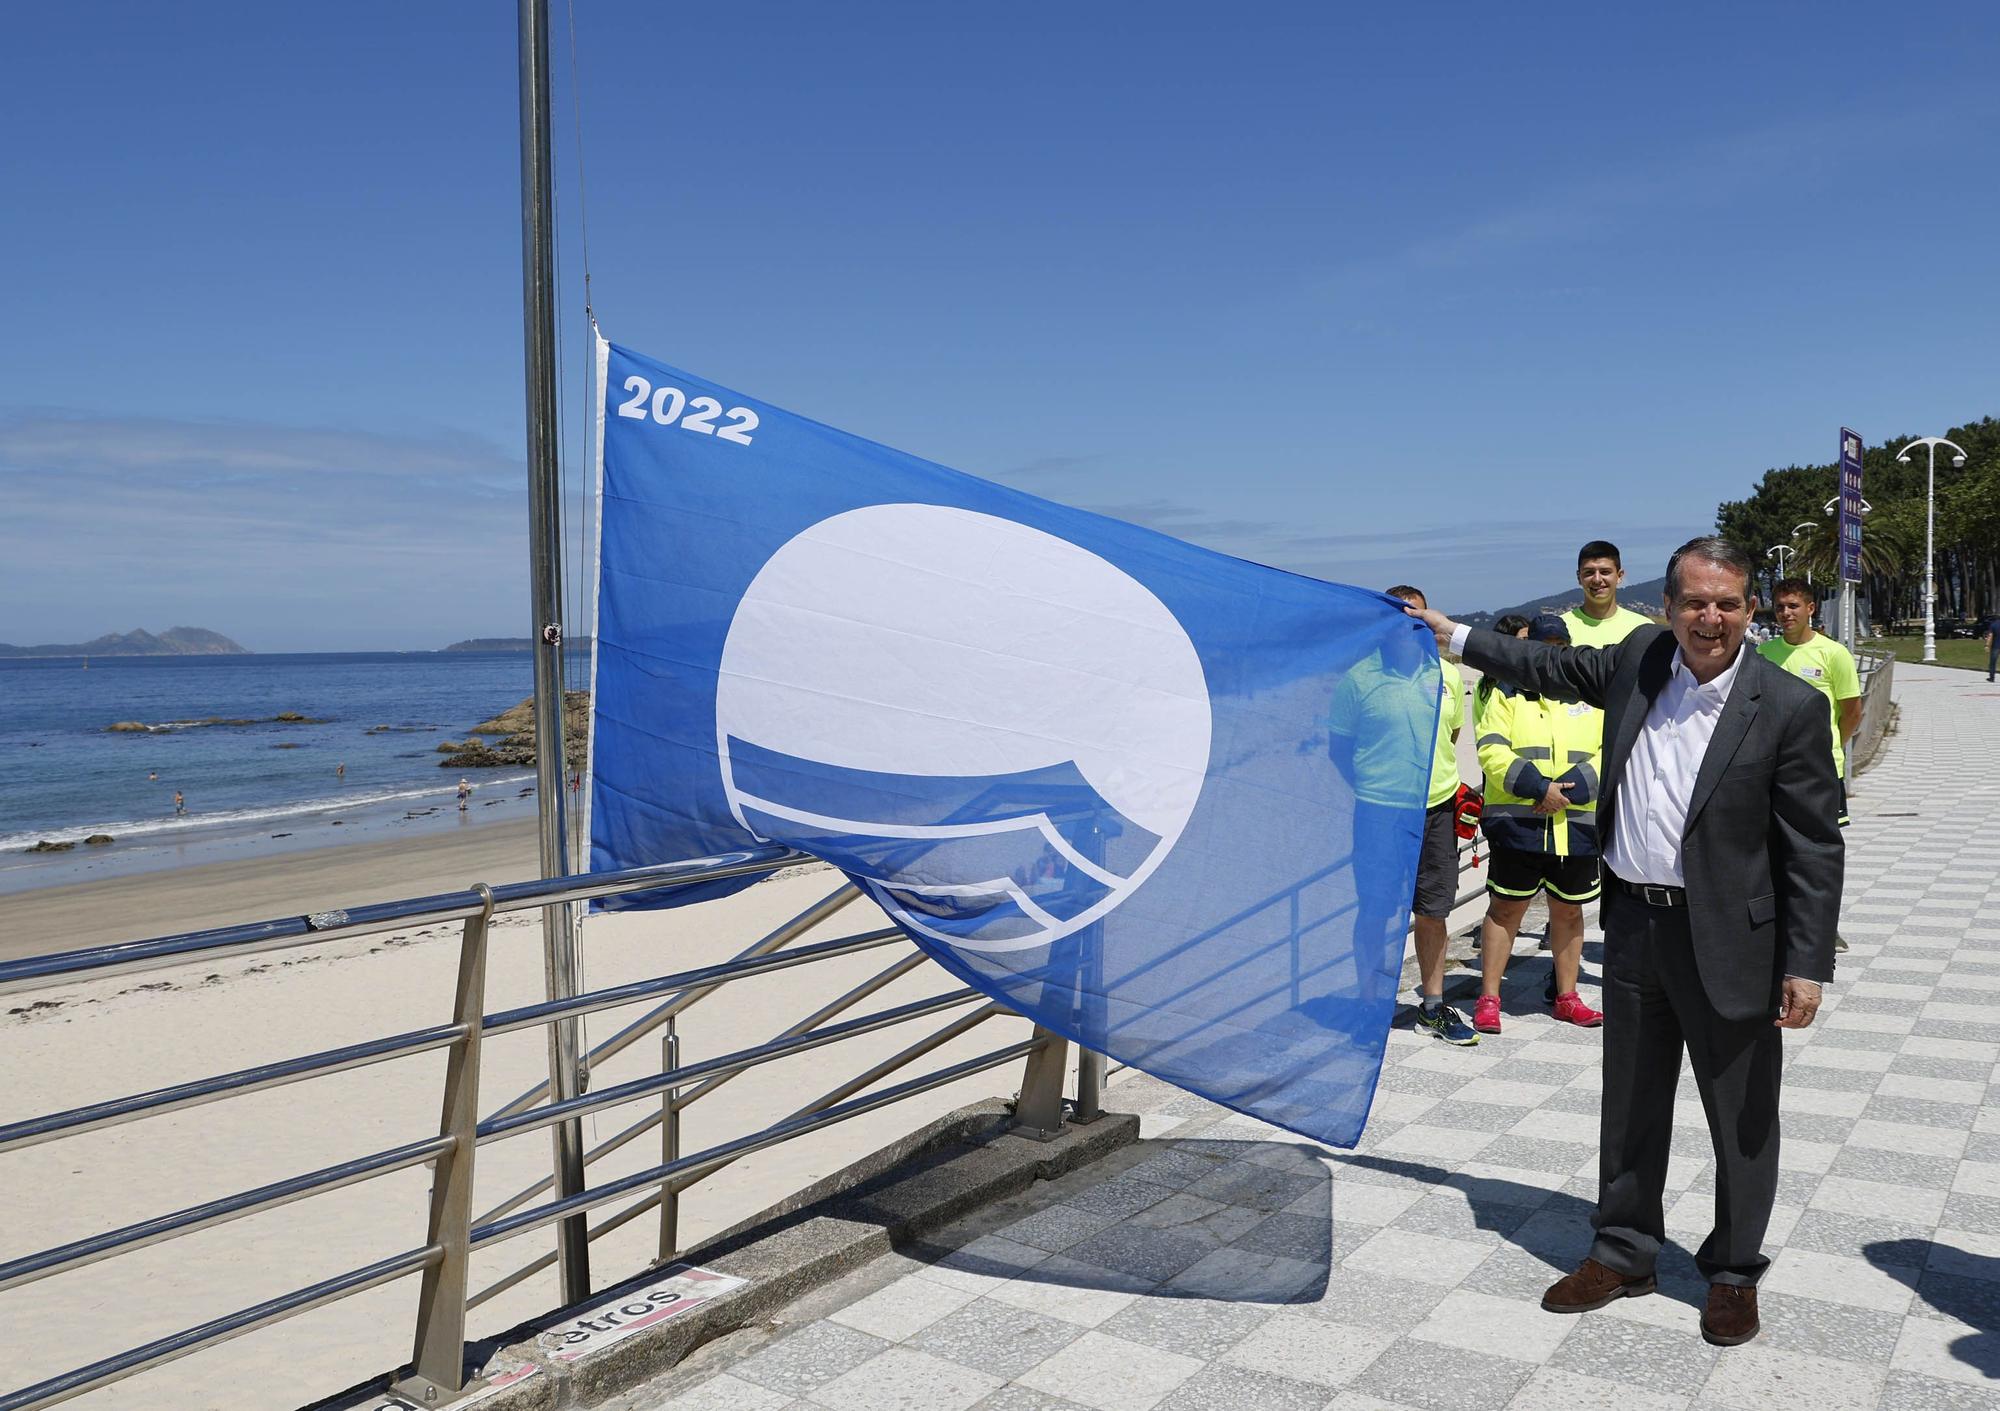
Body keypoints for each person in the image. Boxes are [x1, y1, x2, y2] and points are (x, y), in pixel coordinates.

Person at [1406, 536, 1842, 1348]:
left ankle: (1733, 1270)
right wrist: (1450, 632)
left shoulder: (1787, 704)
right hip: (1634, 925)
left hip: (1733, 937)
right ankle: (1625, 1251)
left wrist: (1807, 964)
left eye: (1727, 603)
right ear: (1666, 605)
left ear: (1751, 608)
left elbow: (1814, 845)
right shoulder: (1638, 658)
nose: (1710, 618)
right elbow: (1542, 668)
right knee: (1631, 1100)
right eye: (1694, 602)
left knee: (1741, 1115)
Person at [1330, 585, 1477, 1046]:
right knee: (1376, 912)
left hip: (1436, 810)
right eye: (1399, 618)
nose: (1409, 627)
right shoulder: (1358, 678)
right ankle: (1370, 1005)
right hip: (1379, 812)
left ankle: (1432, 1007)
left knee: (1433, 911)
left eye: (1417, 618)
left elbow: (1449, 739)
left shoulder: (1447, 676)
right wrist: (1380, 786)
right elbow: (1340, 750)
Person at [1470, 614, 1605, 1033]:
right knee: (1506, 909)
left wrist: (1570, 792)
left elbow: (1611, 748)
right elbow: (1490, 749)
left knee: (1568, 912)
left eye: (1557, 645)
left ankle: (1567, 997)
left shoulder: (1593, 696)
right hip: (1519, 825)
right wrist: (1538, 787)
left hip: (1578, 826)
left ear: (1568, 648)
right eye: (1541, 644)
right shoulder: (1504, 694)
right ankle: (1489, 998)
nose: (1550, 652)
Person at [1759, 579, 1861, 956]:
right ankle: (1779, 921)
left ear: (1810, 609)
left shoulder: (1833, 654)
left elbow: (1851, 712)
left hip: (1820, 774)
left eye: (1793, 606)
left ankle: (1825, 926)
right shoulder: (1764, 654)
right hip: (1774, 771)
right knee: (1774, 847)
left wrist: (1828, 747)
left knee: (1819, 853)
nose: (1786, 614)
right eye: (1781, 607)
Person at [1566, 540, 1655, 648]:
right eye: (1589, 572)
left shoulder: (1642, 628)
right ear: (1579, 577)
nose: (1597, 579)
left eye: (1605, 572)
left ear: (1619, 576)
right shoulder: (1560, 628)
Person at [1986, 612, 1999, 682]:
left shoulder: (1993, 625)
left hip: (1996, 646)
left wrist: (1987, 645)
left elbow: (1990, 636)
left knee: (1993, 662)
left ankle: (1992, 677)